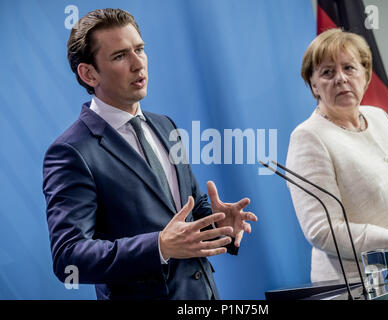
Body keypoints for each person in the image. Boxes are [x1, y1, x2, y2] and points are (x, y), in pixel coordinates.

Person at [42, 8, 257, 300]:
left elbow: (187, 209)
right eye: (120, 56)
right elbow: (69, 257)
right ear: (89, 73)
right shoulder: (71, 152)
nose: (137, 64)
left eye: (140, 49)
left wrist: (218, 225)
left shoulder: (165, 125)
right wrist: (159, 246)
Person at [286, 28, 388, 299]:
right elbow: (322, 231)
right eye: (327, 72)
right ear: (313, 85)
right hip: (365, 287)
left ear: (366, 75)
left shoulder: (379, 117)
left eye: (349, 68)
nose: (340, 79)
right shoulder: (308, 137)